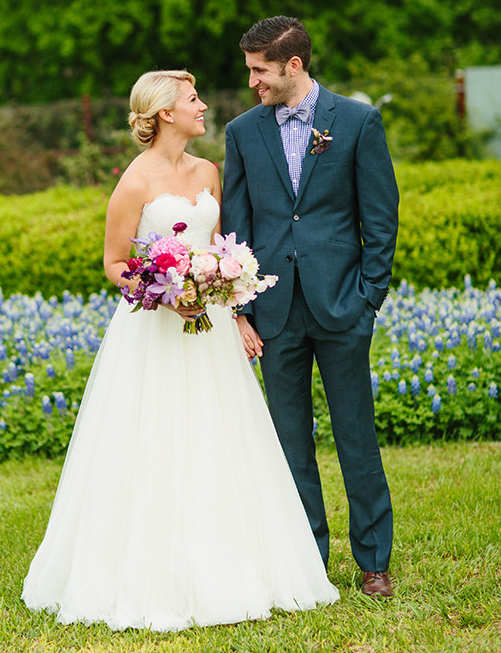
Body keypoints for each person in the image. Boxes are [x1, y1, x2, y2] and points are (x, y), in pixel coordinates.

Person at [22, 69, 339, 632]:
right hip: (154, 329)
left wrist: (233, 303)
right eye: (193, 100)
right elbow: (115, 262)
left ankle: (231, 561)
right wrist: (165, 295)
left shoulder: (208, 171)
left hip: (211, 327)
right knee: (154, 436)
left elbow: (221, 248)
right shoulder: (134, 181)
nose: (203, 107)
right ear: (166, 112)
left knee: (222, 433)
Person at [221, 17, 399, 598]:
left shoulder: (357, 122)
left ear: (293, 65)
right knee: (289, 444)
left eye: (260, 70)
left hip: (343, 306)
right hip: (274, 314)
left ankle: (374, 562)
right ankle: (307, 562)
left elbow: (381, 220)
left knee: (356, 438)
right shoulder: (242, 132)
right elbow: (238, 227)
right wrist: (242, 310)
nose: (252, 82)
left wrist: (367, 299)